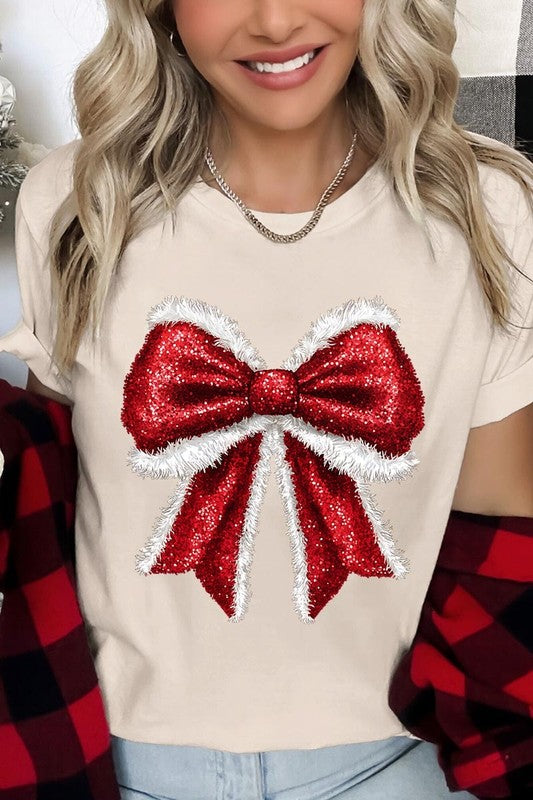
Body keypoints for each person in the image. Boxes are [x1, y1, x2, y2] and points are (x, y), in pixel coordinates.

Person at [1, 1, 532, 798]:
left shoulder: (489, 213)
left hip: (396, 764)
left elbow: (501, 549)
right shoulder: (79, 203)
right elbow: (46, 523)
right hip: (115, 761)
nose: (277, 20)